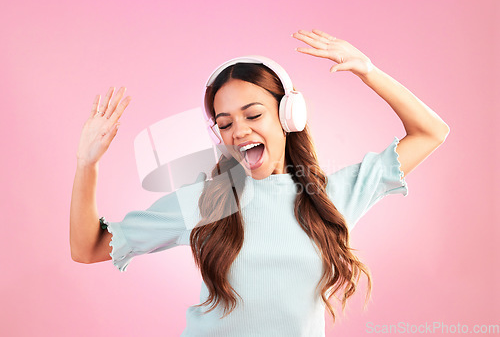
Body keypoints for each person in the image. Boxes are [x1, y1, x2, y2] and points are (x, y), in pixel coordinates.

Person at [70, 29, 450, 336]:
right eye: (224, 123)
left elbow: (430, 132)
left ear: (289, 115)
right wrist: (87, 164)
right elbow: (89, 248)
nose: (239, 131)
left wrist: (368, 70)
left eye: (253, 115)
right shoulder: (206, 201)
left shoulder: (332, 197)